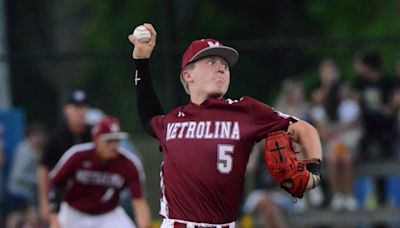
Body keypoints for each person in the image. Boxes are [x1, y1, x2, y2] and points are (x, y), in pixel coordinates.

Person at [128, 23, 323, 227]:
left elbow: (304, 129)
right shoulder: (173, 120)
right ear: (188, 75)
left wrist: (314, 171)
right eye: (211, 61)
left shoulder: (246, 111)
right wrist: (141, 61)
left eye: (224, 64)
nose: (221, 67)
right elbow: (148, 116)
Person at [48, 117, 151, 228]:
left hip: (108, 214)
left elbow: (139, 201)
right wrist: (54, 217)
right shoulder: (77, 155)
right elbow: (55, 184)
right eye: (109, 141)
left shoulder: (129, 163)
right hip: (74, 212)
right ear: (97, 140)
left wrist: (144, 225)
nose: (114, 146)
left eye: (116, 140)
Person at [37, 90, 92, 222]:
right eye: (76, 107)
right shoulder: (56, 138)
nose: (81, 111)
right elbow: (43, 170)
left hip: (91, 195)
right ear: (66, 110)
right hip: (64, 198)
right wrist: (44, 202)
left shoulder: (94, 134)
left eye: (83, 107)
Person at [6, 121, 46, 228]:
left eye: (40, 137)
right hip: (18, 191)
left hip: (25, 192)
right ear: (30, 136)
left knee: (28, 218)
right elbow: (18, 175)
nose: (39, 140)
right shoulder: (24, 150)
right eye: (36, 136)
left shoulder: (33, 150)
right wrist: (37, 180)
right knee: (15, 217)